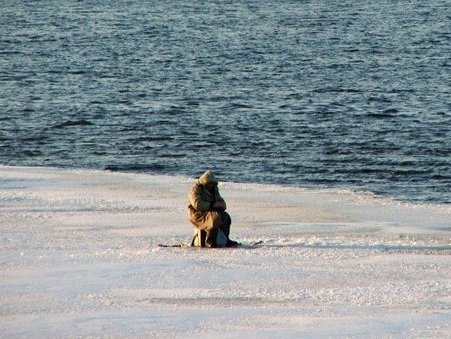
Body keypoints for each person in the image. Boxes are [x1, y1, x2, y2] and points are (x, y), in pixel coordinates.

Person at [187, 170, 239, 248]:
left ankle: (226, 239)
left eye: (212, 184)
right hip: (197, 214)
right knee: (215, 218)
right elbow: (197, 204)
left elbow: (221, 201)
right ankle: (210, 240)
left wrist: (222, 205)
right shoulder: (195, 190)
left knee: (226, 217)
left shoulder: (214, 189)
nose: (210, 185)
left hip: (210, 212)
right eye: (209, 183)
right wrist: (212, 205)